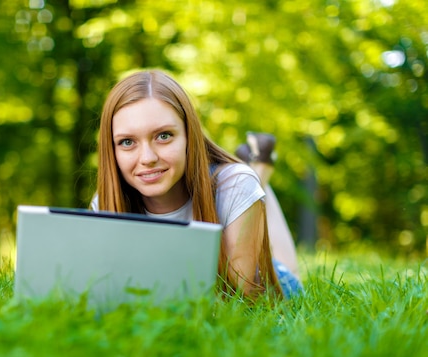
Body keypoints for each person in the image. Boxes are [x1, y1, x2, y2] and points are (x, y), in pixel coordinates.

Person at [90, 69, 303, 300]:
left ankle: (259, 175)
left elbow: (245, 300)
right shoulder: (105, 203)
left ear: (189, 136)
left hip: (267, 277)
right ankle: (258, 172)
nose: (147, 158)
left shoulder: (236, 185)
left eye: (163, 136)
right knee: (246, 187)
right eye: (127, 142)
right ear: (111, 149)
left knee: (289, 268)